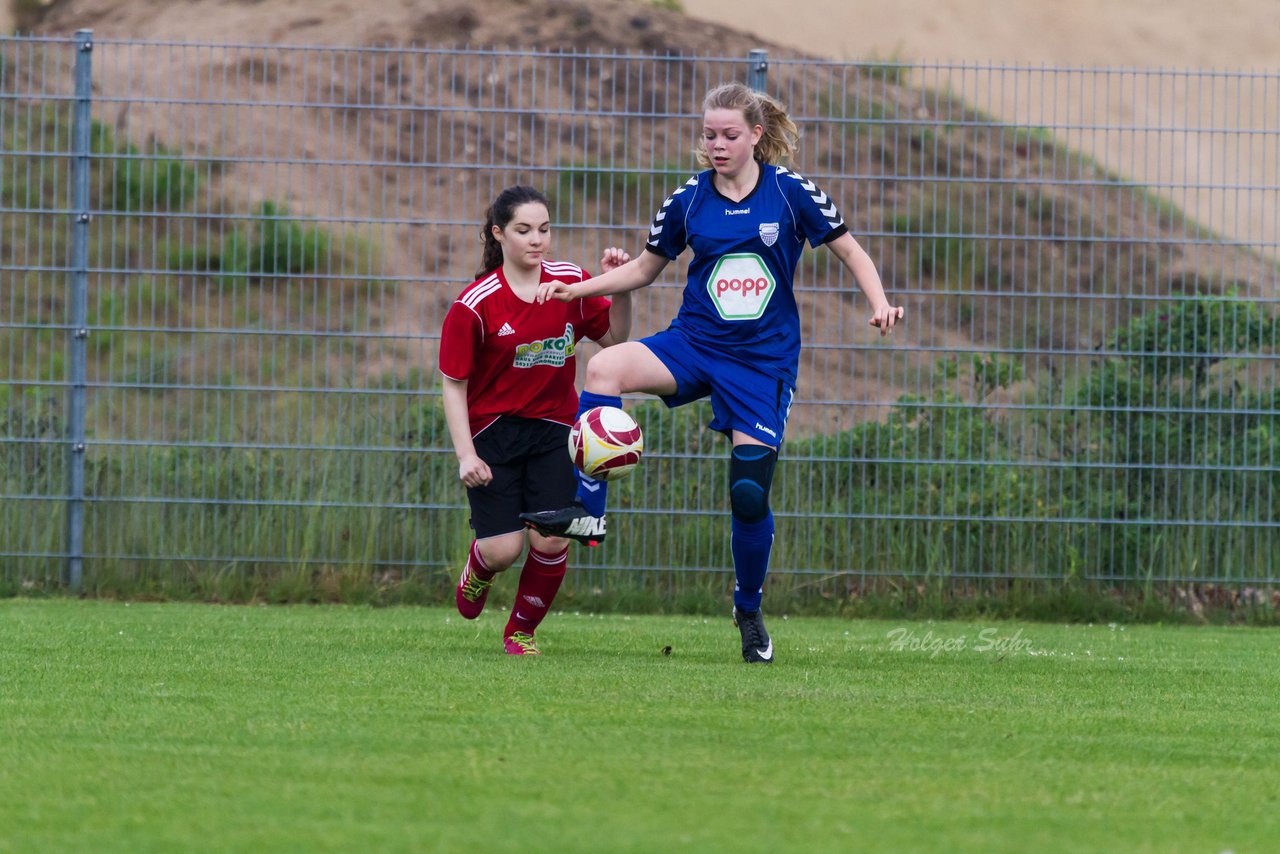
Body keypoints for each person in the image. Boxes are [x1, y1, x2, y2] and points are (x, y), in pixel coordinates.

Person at [521, 83, 903, 664]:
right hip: (693, 344)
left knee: (748, 495)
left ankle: (747, 608)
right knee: (603, 366)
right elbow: (646, 270)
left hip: (761, 363)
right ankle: (588, 512)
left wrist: (878, 301)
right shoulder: (688, 200)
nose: (717, 145)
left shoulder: (789, 191)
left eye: (729, 135)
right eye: (709, 135)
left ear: (755, 135)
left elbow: (850, 250)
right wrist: (578, 287)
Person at [438, 185, 631, 656]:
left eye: (544, 229)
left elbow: (616, 338)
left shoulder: (570, 282)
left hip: (554, 430)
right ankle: (479, 568)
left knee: (549, 540)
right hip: (493, 434)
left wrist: (620, 284)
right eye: (523, 230)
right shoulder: (475, 304)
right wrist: (466, 455)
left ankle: (520, 632)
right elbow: (453, 383)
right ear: (498, 233)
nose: (536, 239)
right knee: (505, 550)